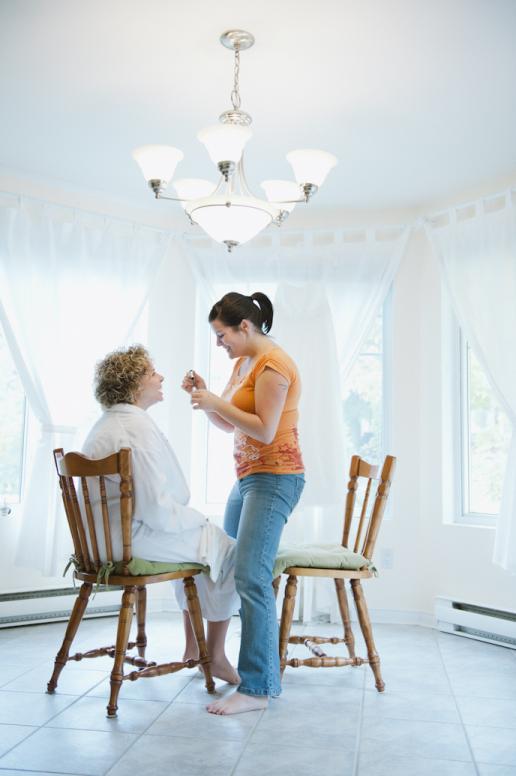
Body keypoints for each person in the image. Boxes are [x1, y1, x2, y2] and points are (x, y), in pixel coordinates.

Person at [82, 344, 240, 684]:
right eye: (153, 372)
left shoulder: (108, 423)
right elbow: (155, 508)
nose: (161, 377)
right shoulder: (133, 428)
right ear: (136, 383)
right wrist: (197, 519)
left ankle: (193, 651)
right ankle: (215, 654)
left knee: (206, 545)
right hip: (128, 541)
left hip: (103, 541)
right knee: (228, 551)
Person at [182, 291, 305, 715]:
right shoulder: (243, 364)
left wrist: (216, 402)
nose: (220, 344)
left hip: (275, 479)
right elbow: (227, 422)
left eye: (222, 335)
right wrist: (205, 401)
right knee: (233, 569)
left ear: (245, 327)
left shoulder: (274, 366)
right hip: (248, 480)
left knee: (252, 577)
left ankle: (257, 689)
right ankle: (223, 661)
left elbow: (266, 431)